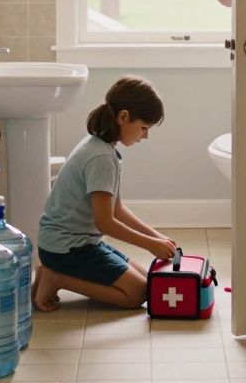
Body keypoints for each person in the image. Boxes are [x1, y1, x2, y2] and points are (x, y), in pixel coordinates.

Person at [31, 76, 177, 311]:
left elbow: (117, 209)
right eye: (143, 128)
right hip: (67, 248)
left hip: (76, 242)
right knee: (137, 293)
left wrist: (156, 238)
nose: (145, 136)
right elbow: (106, 222)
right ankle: (56, 278)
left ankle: (49, 273)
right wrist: (149, 244)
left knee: (149, 283)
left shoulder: (101, 147)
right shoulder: (100, 158)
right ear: (123, 117)